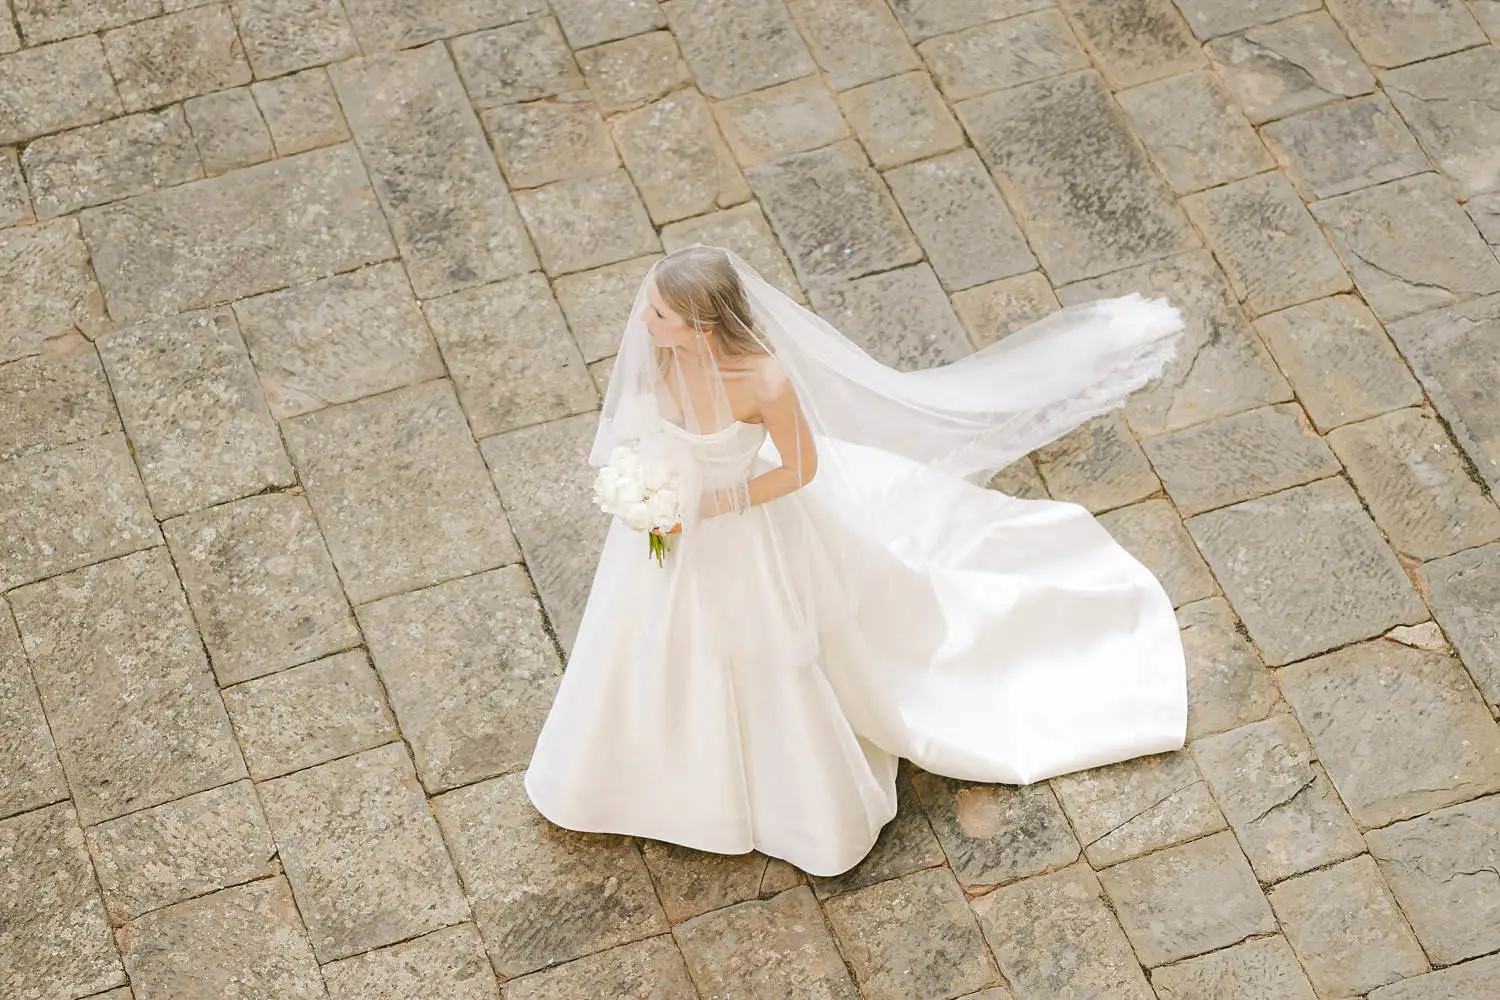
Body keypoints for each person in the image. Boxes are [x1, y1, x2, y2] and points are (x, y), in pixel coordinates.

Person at [524, 245, 1189, 877]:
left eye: (659, 314)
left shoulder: (762, 380)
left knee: (765, 652)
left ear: (700, 326)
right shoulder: (663, 359)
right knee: (641, 643)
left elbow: (799, 469)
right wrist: (641, 486)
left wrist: (712, 503)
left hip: (742, 529)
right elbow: (642, 434)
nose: (644, 321)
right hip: (664, 532)